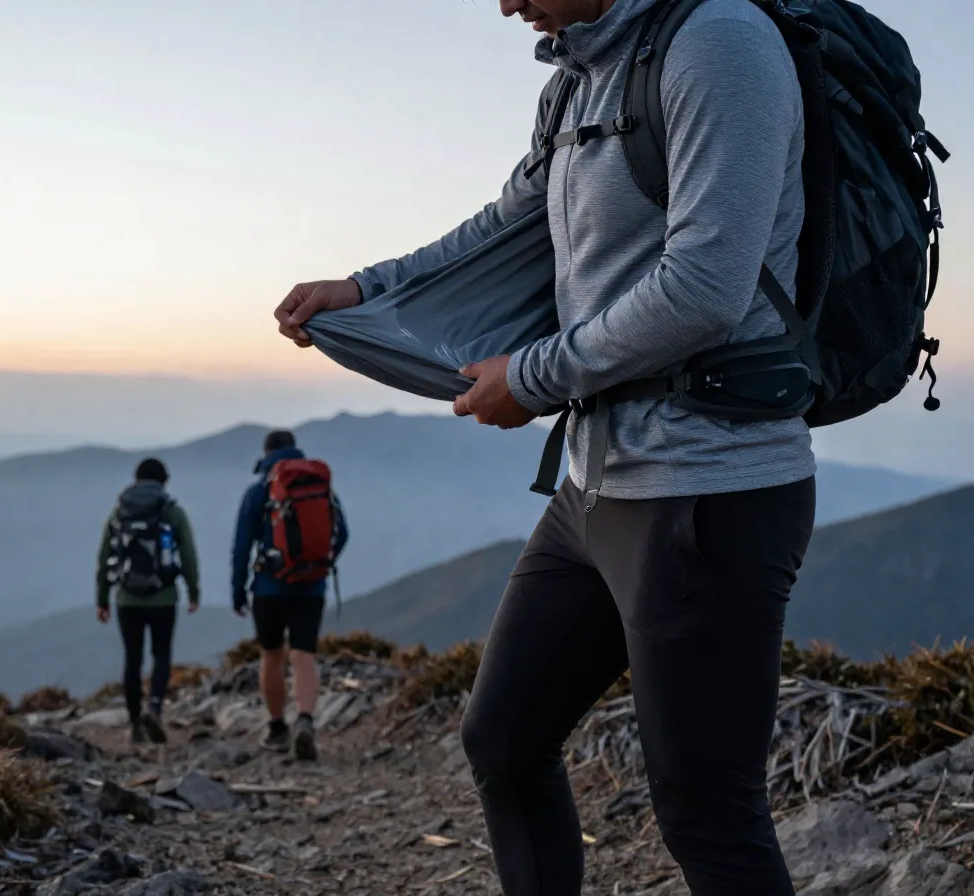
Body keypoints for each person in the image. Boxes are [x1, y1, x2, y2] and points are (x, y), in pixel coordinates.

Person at [275, 1, 817, 892]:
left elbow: (707, 286)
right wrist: (366, 287)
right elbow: (509, 222)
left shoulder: (721, 43)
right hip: (596, 484)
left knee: (706, 812)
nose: (504, 4)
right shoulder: (578, 76)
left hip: (708, 491)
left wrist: (531, 377)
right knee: (504, 736)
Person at [231, 430, 349, 760]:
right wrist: (321, 563)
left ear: (266, 453)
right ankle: (306, 720)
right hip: (311, 586)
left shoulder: (258, 491)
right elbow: (343, 533)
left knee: (271, 655)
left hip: (268, 587)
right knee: (303, 655)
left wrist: (238, 590)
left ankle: (277, 726)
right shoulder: (319, 486)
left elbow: (241, 546)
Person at [96, 457, 200, 746]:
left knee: (132, 658)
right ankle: (154, 707)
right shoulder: (171, 512)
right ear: (164, 480)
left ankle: (134, 724)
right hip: (164, 597)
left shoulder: (120, 513)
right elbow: (188, 554)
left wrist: (102, 598)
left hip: (127, 598)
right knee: (162, 654)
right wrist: (193, 591)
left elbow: (105, 557)